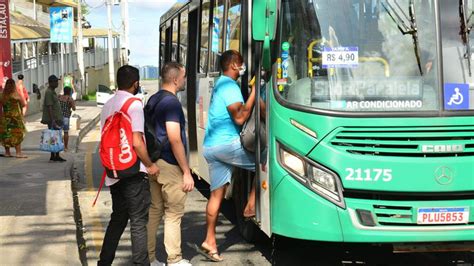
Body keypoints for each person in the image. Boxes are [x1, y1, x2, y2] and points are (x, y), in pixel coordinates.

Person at [98, 65, 159, 266]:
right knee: (139, 222)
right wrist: (150, 165)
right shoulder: (134, 104)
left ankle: (104, 262)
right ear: (136, 83)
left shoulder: (107, 105)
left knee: (118, 219)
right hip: (133, 171)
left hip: (113, 171)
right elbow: (137, 141)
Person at [199, 50, 257, 262]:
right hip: (226, 145)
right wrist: (253, 92)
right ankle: (250, 206)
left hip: (211, 147)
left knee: (217, 196)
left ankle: (210, 241)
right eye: (241, 64)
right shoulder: (230, 86)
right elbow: (241, 117)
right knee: (265, 163)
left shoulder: (220, 84)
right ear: (233, 64)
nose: (242, 68)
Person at [146, 62, 194, 266]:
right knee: (173, 214)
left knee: (155, 210)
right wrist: (186, 171)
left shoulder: (153, 100)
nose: (184, 80)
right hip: (169, 163)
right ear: (175, 79)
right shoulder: (172, 103)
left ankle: (148, 257)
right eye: (183, 76)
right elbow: (174, 138)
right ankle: (174, 259)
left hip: (154, 162)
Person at [41, 75, 66, 162]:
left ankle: (56, 155)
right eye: (55, 82)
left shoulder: (53, 91)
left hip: (57, 118)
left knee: (56, 137)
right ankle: (54, 156)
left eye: (57, 81)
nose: (57, 83)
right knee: (54, 137)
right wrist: (53, 120)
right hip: (54, 119)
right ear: (51, 82)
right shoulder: (49, 92)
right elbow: (49, 107)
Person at [0, 79, 27, 158]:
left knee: (6, 135)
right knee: (17, 134)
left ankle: (7, 152)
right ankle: (18, 153)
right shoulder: (16, 95)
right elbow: (23, 104)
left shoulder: (2, 95)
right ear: (14, 86)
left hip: (5, 118)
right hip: (15, 119)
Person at [58, 86, 76, 151]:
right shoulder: (70, 99)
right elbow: (74, 108)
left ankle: (59, 145)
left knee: (59, 132)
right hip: (66, 117)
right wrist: (71, 105)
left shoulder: (59, 97)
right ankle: (65, 147)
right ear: (69, 92)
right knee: (66, 132)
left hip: (59, 117)